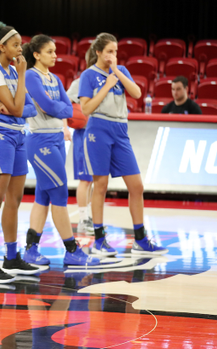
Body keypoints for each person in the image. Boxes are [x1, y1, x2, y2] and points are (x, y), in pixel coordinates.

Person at [78, 33, 168, 256]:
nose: (113, 55)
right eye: (109, 51)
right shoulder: (88, 75)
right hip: (98, 129)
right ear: (98, 52)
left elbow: (137, 93)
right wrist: (107, 86)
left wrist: (116, 72)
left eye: (115, 51)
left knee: (136, 186)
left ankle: (140, 239)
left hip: (120, 130)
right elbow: (86, 109)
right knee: (100, 185)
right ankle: (99, 240)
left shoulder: (120, 71)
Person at [21, 34, 100, 267]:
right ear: (36, 54)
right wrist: (60, 109)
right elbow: (50, 106)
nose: (56, 55)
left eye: (56, 51)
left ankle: (30, 249)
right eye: (50, 51)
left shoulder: (55, 78)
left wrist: (59, 109)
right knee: (60, 195)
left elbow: (67, 108)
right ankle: (72, 250)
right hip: (40, 141)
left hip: (56, 139)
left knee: (43, 196)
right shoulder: (31, 76)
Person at [0, 21, 39, 284]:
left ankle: (11, 257)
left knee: (15, 200)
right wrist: (17, 101)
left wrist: (16, 106)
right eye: (15, 44)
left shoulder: (12, 71)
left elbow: (29, 108)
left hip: (18, 136)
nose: (20, 49)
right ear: (0, 46)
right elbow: (17, 109)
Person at [65, 78, 95, 235]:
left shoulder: (105, 81)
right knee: (85, 180)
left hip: (98, 133)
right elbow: (65, 104)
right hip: (83, 135)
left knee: (92, 180)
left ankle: (88, 217)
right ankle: (83, 220)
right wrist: (65, 127)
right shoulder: (81, 81)